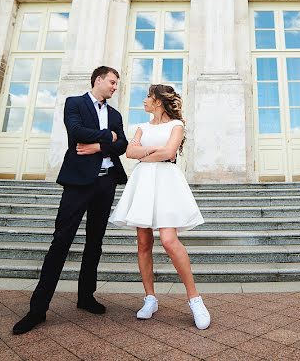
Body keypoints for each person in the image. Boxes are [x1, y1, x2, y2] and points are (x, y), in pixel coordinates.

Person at [13, 66, 129, 335]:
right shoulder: (74, 103)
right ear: (98, 80)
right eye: (112, 82)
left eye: (116, 84)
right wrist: (107, 136)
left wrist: (100, 146)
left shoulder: (115, 114)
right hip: (77, 183)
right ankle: (37, 310)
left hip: (105, 182)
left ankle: (86, 297)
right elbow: (76, 132)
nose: (114, 87)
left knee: (95, 243)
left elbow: (122, 145)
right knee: (61, 242)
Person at [108, 84, 210, 330]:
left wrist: (144, 154)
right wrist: (152, 152)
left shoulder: (177, 126)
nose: (144, 100)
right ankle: (150, 298)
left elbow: (170, 152)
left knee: (168, 240)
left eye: (148, 97)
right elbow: (129, 152)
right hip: (143, 183)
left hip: (166, 182)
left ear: (158, 101)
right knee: (143, 242)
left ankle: (195, 299)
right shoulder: (142, 127)